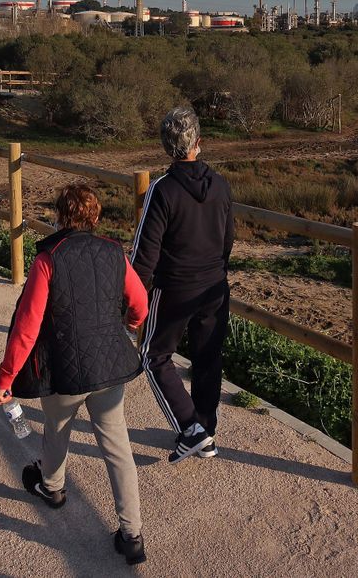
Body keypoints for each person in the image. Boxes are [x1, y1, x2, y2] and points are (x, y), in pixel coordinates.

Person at [0, 184, 150, 566]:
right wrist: (127, 330)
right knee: (117, 447)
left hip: (63, 367)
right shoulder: (114, 252)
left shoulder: (49, 258)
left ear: (61, 216)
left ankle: (53, 488)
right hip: (109, 368)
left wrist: (6, 377)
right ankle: (132, 536)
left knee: (56, 428)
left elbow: (27, 327)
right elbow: (140, 304)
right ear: (95, 217)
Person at [132, 105, 235, 463]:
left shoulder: (161, 190)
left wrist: (132, 298)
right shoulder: (221, 184)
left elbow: (145, 252)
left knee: (152, 354)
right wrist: (216, 272)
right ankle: (205, 428)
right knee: (208, 358)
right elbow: (227, 241)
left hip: (174, 288)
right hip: (214, 287)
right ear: (199, 143)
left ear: (166, 146)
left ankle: (191, 430)